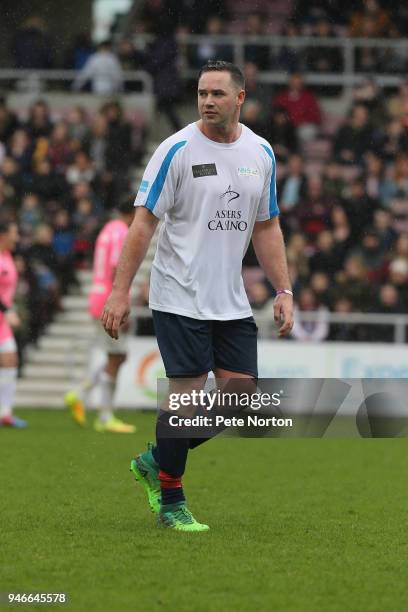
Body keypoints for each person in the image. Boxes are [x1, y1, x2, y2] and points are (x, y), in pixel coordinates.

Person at [102, 60, 294, 531]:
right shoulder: (176, 150)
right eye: (202, 93)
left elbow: (267, 227)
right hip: (179, 296)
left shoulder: (261, 152)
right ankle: (171, 501)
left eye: (218, 94)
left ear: (240, 98)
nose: (208, 101)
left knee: (240, 399)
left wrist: (284, 288)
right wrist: (120, 291)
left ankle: (155, 458)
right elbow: (143, 224)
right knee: (184, 402)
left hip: (230, 300)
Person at [64, 201, 136, 433]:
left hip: (97, 296)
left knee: (119, 355)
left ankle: (81, 392)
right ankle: (105, 416)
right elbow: (117, 267)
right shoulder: (122, 231)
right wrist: (122, 300)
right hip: (108, 300)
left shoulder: (107, 229)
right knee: (116, 356)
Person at [0, 221, 26, 428]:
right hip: (2, 316)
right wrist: (7, 310)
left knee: (10, 360)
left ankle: (5, 413)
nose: (16, 238)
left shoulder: (7, 256)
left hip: (2, 322)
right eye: (14, 233)